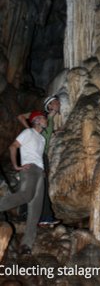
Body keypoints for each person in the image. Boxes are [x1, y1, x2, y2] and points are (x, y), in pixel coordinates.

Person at [4, 111, 49, 255]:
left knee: (35, 210)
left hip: (40, 172)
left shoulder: (42, 139)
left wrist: (43, 171)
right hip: (28, 169)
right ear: (36, 120)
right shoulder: (28, 132)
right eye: (43, 117)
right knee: (26, 195)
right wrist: (17, 166)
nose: (46, 119)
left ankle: (26, 244)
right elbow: (13, 147)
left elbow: (38, 156)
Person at [17, 96, 62, 227]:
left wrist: (55, 131)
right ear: (49, 105)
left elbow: (46, 133)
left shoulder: (49, 121)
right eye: (55, 102)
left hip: (42, 155)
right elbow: (20, 117)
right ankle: (42, 216)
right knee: (38, 185)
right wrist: (30, 132)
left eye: (58, 102)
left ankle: (31, 214)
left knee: (38, 186)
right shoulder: (41, 116)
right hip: (35, 155)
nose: (58, 104)